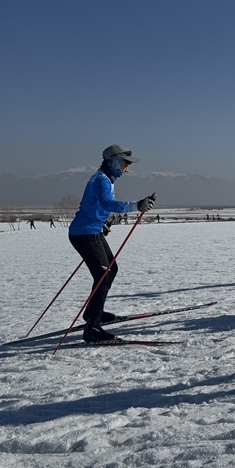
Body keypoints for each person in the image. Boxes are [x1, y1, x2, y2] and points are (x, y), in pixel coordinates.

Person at [68, 145, 155, 343]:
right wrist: (136, 205)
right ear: (113, 162)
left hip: (93, 231)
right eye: (125, 163)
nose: (127, 169)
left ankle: (93, 312)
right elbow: (106, 203)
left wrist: (104, 222)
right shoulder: (101, 180)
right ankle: (93, 328)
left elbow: (96, 205)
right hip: (84, 234)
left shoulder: (106, 179)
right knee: (102, 275)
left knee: (111, 269)